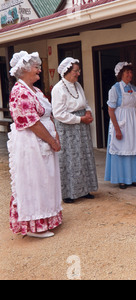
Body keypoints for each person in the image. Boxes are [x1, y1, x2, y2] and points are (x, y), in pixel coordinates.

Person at [8, 51, 62, 238]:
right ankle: (33, 225)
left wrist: (56, 137)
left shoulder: (36, 90)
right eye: (35, 67)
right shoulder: (19, 91)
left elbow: (48, 116)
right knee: (34, 180)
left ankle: (47, 218)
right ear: (23, 70)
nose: (39, 69)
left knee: (46, 179)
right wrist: (51, 140)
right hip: (31, 143)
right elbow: (32, 123)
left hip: (44, 141)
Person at [52, 57, 98, 203]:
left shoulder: (78, 85)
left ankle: (84, 189)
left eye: (78, 71)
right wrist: (79, 119)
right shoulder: (58, 89)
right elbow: (58, 114)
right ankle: (69, 193)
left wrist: (88, 112)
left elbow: (85, 104)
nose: (78, 74)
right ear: (66, 71)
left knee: (84, 157)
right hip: (68, 128)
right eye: (75, 71)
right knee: (70, 159)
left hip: (82, 126)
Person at [104, 62, 136, 189]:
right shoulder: (115, 89)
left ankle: (135, 177)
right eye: (127, 72)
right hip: (121, 122)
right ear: (120, 74)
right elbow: (111, 110)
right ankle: (122, 179)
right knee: (122, 150)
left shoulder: (133, 88)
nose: (130, 74)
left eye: (131, 72)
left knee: (134, 148)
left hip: (133, 124)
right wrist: (117, 129)